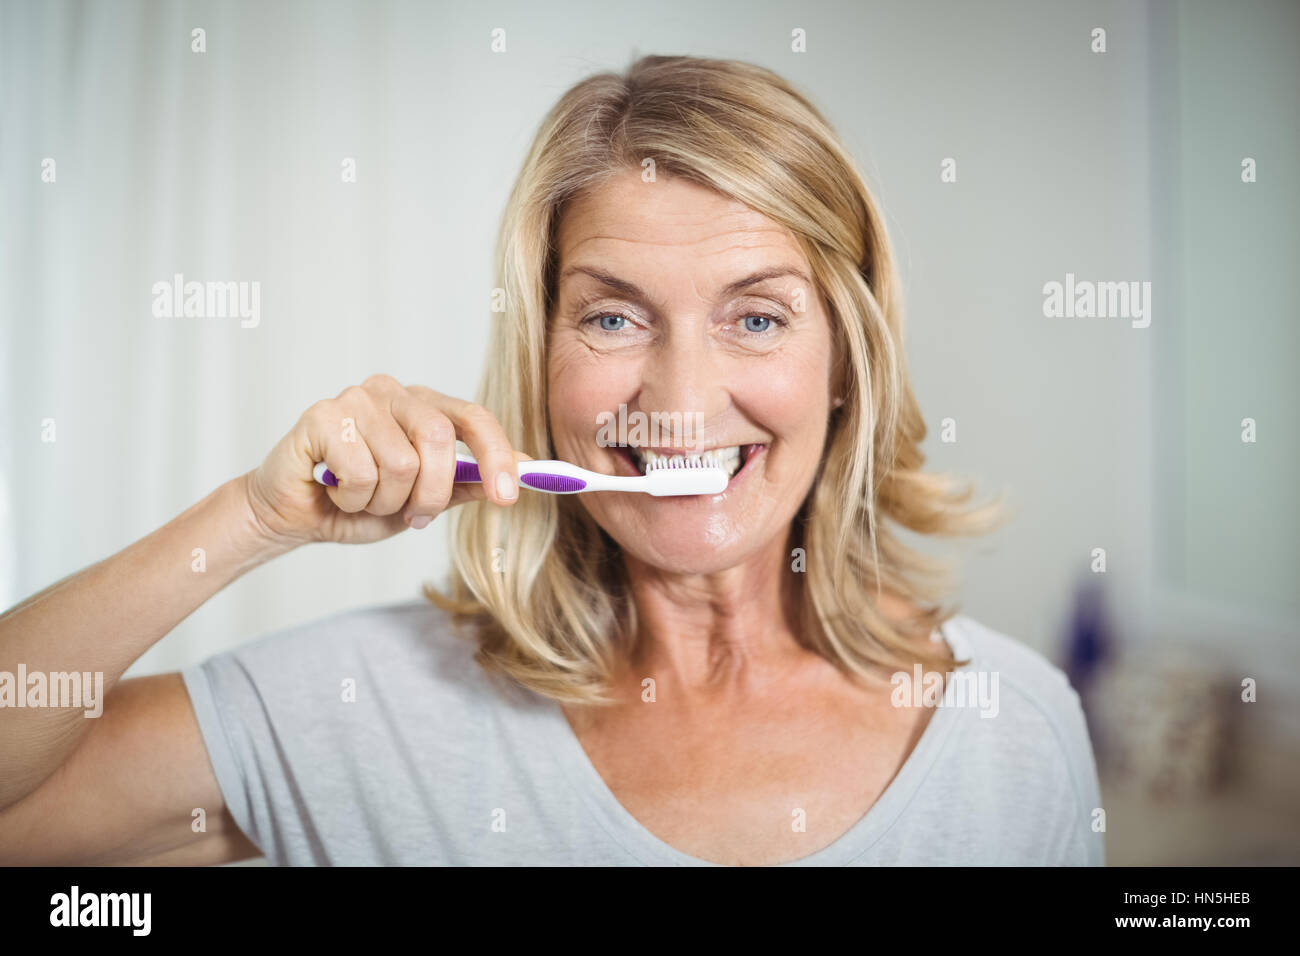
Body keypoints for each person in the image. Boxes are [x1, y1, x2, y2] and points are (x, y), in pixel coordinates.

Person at [0, 54, 1103, 866]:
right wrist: (251, 514)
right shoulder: (364, 709)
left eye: (756, 320)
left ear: (845, 362)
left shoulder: (1013, 731)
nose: (678, 400)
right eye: (613, 320)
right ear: (539, 357)